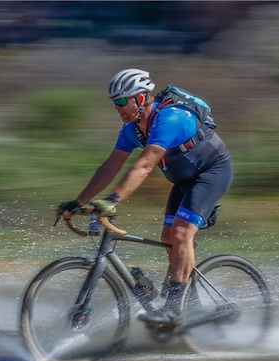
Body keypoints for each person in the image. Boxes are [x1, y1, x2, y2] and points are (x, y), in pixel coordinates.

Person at [57, 69, 233, 327]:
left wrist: (113, 199)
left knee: (182, 235)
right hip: (184, 180)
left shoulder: (169, 119)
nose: (116, 107)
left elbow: (144, 166)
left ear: (139, 99)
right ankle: (189, 303)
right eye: (113, 102)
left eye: (120, 101)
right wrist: (78, 200)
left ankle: (173, 311)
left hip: (211, 173)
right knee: (167, 237)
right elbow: (110, 167)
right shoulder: (131, 130)